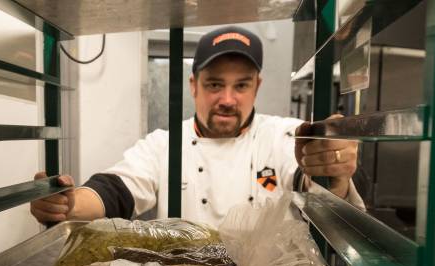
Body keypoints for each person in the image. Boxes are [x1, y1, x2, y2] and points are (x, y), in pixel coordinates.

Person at [30, 25, 364, 227]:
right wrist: (68, 204)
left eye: (241, 86)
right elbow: (114, 191)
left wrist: (333, 171)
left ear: (257, 86)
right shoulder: (164, 144)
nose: (228, 99)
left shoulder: (284, 136)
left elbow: (319, 193)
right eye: (215, 85)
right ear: (194, 85)